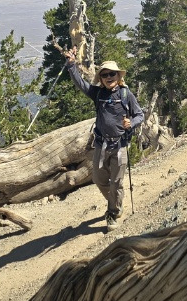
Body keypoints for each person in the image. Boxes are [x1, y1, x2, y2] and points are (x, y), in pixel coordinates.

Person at [62, 51, 144, 229]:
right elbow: (81, 84)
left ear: (118, 76)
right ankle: (116, 201)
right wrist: (71, 65)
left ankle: (112, 212)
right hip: (101, 145)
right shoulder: (98, 93)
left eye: (112, 74)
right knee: (99, 180)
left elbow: (139, 115)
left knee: (116, 182)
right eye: (104, 75)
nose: (108, 77)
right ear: (100, 78)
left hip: (120, 145)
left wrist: (131, 123)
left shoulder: (126, 94)